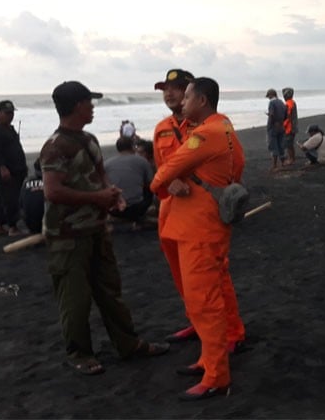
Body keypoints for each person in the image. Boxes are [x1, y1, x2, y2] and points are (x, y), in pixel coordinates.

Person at [40, 81, 169, 376]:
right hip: (68, 236)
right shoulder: (55, 147)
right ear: (76, 106)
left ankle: (129, 344)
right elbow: (52, 191)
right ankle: (80, 354)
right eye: (89, 102)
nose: (94, 106)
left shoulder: (89, 140)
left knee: (111, 291)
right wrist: (97, 198)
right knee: (75, 298)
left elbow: (100, 179)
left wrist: (113, 196)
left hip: (97, 228)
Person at [150, 77, 245, 401]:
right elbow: (239, 164)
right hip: (205, 225)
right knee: (207, 297)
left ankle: (217, 376)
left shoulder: (205, 133)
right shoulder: (226, 128)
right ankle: (209, 360)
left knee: (204, 303)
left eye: (187, 97)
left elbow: (167, 169)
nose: (183, 102)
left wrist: (160, 186)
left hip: (198, 229)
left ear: (201, 100)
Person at [152, 68, 201, 343]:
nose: (169, 93)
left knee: (208, 270)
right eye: (165, 89)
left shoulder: (205, 125)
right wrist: (167, 183)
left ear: (191, 92)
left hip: (198, 205)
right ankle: (196, 320)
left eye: (177, 88)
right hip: (169, 208)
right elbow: (161, 171)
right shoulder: (161, 129)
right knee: (179, 269)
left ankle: (231, 330)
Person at [0, 100, 28, 237]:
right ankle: (13, 227)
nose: (10, 116)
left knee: (3, 199)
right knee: (11, 200)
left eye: (11, 113)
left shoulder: (9, 128)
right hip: (3, 173)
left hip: (16, 171)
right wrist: (2, 168)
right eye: (7, 113)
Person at [104, 136, 154, 226]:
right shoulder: (142, 161)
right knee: (150, 186)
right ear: (132, 147)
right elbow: (151, 183)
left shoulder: (107, 163)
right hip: (137, 208)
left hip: (114, 209)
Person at [19, 159, 44, 234]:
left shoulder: (26, 181)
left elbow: (20, 204)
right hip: (47, 224)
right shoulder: (52, 182)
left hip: (29, 223)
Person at [265, 88, 287, 170]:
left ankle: (274, 165)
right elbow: (286, 114)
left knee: (273, 145)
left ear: (271, 95)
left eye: (268, 96)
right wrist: (281, 122)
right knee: (281, 144)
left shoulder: (272, 103)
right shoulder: (281, 102)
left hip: (273, 126)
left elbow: (272, 115)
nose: (268, 98)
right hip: (281, 125)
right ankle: (283, 162)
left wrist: (270, 125)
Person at [283, 87, 299, 165]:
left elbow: (288, 116)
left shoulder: (288, 103)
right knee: (290, 144)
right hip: (293, 126)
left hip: (290, 128)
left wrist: (283, 125)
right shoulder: (292, 102)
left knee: (288, 144)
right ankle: (292, 158)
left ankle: (291, 159)